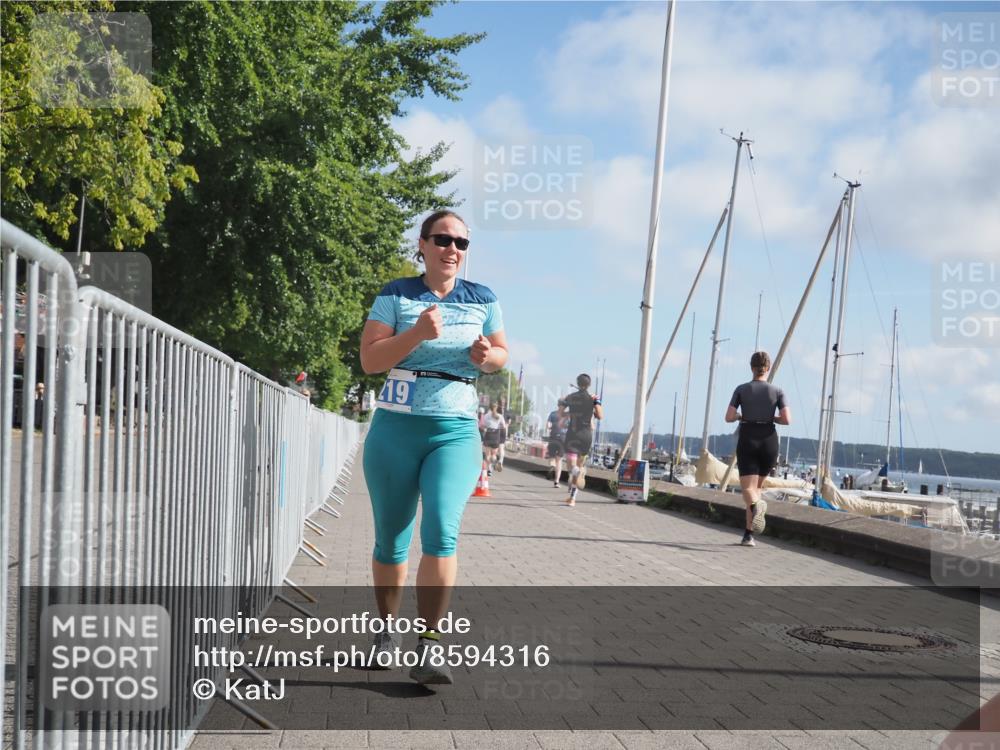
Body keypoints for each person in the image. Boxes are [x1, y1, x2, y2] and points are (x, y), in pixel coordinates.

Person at [360, 209, 508, 684]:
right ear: (422, 245)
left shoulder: (482, 298)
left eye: (462, 243)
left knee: (442, 531)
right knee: (391, 541)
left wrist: (489, 360)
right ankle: (385, 633)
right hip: (395, 431)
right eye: (442, 240)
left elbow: (502, 354)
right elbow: (369, 360)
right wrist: (417, 334)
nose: (452, 250)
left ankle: (430, 647)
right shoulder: (395, 294)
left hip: (454, 431)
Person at [724, 351, 791, 547]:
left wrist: (739, 416)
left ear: (751, 368)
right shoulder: (778, 391)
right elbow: (787, 419)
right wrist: (773, 418)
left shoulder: (741, 389)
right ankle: (748, 535)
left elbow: (728, 416)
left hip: (749, 437)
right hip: (769, 440)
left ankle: (756, 507)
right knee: (756, 489)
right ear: (768, 368)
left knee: (748, 489)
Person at [559, 374, 603, 507]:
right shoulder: (593, 398)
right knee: (578, 465)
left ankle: (579, 473)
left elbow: (561, 413)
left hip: (573, 434)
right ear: (589, 385)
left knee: (572, 467)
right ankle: (572, 499)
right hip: (586, 436)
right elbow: (600, 415)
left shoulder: (570, 397)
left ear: (577, 383)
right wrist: (593, 409)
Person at [546, 404, 569, 488]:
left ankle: (552, 466)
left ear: (558, 405)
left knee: (552, 456)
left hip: (553, 437)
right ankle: (556, 482)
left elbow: (548, 426)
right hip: (563, 439)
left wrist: (552, 427)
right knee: (559, 460)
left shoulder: (552, 414)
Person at [481, 402, 506, 475]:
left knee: (487, 455)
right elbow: (503, 426)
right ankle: (495, 462)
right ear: (497, 408)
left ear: (490, 407)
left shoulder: (486, 415)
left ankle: (489, 469)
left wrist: (486, 427)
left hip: (488, 434)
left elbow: (483, 426)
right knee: (494, 455)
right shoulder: (500, 416)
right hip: (496, 435)